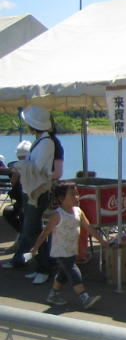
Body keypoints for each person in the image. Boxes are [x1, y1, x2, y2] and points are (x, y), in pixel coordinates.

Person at [1, 106, 64, 285]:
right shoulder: (42, 140)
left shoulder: (46, 142)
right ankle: (42, 266)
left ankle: (45, 267)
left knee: (31, 230)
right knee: (32, 230)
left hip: (38, 191)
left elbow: (38, 168)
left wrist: (18, 166)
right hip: (33, 190)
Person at [29, 183, 106, 309]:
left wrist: (102, 241)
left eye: (77, 194)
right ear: (61, 198)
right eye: (73, 194)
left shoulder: (78, 212)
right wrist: (35, 247)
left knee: (63, 274)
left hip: (72, 250)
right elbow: (45, 232)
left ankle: (53, 295)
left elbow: (89, 227)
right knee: (74, 271)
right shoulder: (57, 215)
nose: (77, 197)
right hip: (61, 251)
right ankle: (84, 298)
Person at [1, 141, 32, 252]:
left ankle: (23, 241)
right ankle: (23, 236)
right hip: (24, 200)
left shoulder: (21, 167)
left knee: (23, 214)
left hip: (31, 200)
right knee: (10, 211)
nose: (21, 160)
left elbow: (13, 182)